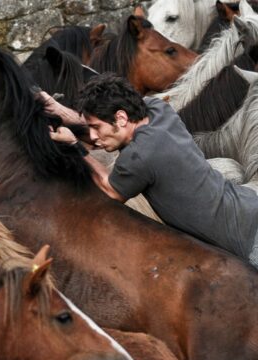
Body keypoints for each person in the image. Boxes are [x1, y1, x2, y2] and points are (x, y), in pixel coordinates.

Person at [43, 73, 258, 267]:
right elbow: (108, 110)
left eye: (96, 128)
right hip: (248, 206)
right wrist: (58, 109)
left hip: (248, 242)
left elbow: (110, 190)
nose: (92, 137)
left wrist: (75, 146)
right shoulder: (157, 109)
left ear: (121, 118)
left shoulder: (139, 156)